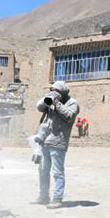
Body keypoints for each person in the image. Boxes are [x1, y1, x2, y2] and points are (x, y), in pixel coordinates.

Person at [34, 81, 79, 209]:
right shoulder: (51, 100)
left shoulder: (72, 103)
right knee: (43, 171)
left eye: (57, 91)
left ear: (63, 92)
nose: (54, 93)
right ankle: (43, 196)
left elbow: (69, 116)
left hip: (58, 142)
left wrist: (57, 103)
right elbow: (39, 107)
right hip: (45, 141)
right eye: (52, 90)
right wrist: (47, 98)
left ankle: (57, 198)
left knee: (57, 172)